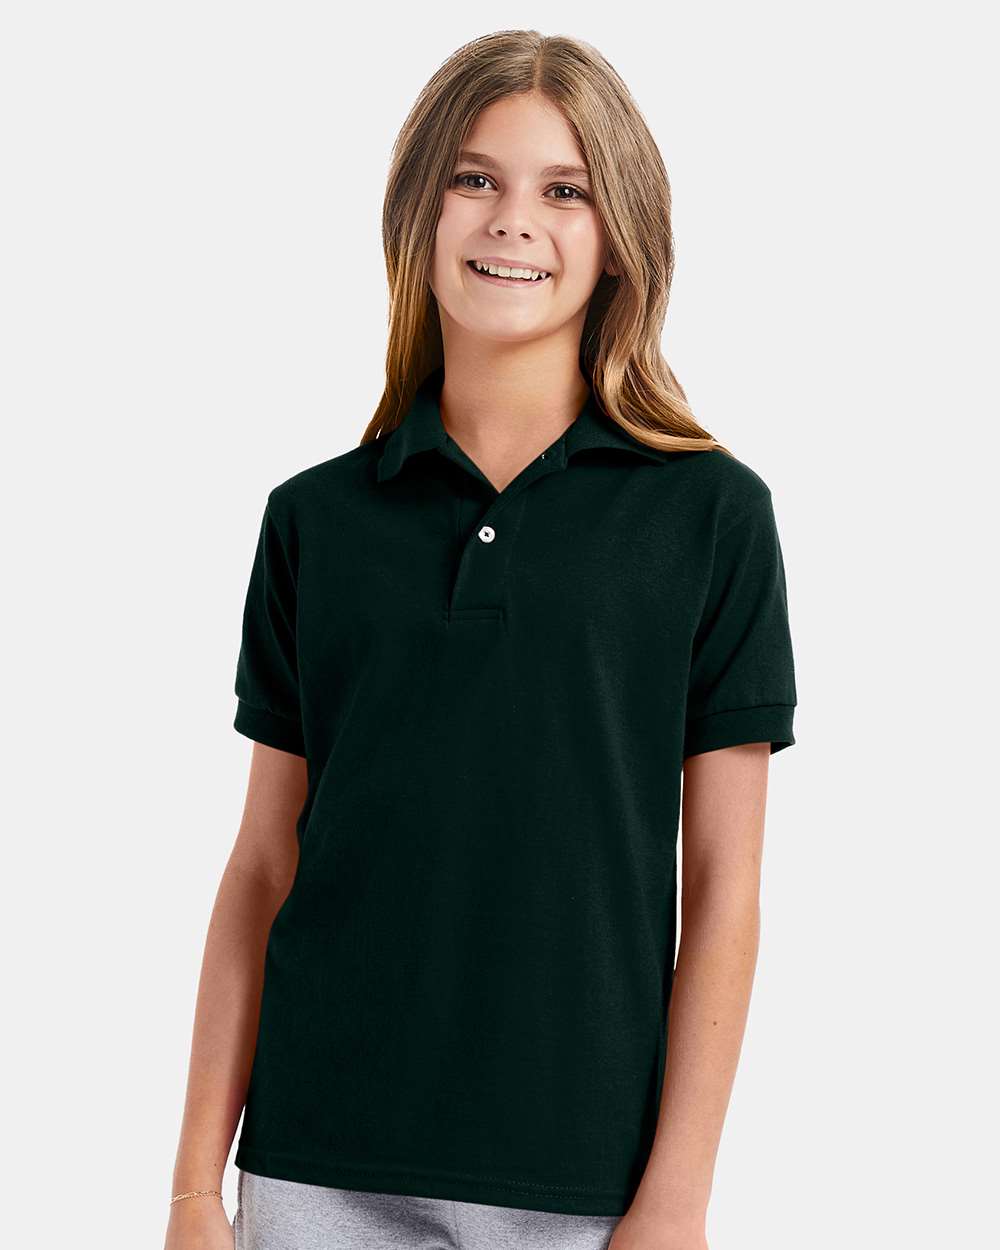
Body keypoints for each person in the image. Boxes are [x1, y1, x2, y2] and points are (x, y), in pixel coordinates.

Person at [165, 29, 798, 1250]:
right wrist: (197, 1185)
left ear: (619, 236)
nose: (514, 219)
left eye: (564, 190)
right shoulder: (315, 521)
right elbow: (261, 866)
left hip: (584, 1182)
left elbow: (725, 883)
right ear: (417, 210)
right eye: (474, 178)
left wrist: (676, 1198)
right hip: (315, 1165)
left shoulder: (712, 515)